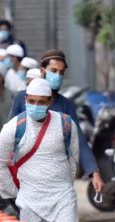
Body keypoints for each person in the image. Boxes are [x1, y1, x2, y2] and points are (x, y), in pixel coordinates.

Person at [0, 78, 80, 222]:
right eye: (31, 101)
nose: (36, 106)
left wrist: (65, 184)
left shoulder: (66, 124)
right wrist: (14, 192)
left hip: (63, 198)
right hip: (29, 202)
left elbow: (73, 159)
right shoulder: (12, 128)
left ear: (50, 101)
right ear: (25, 100)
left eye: (41, 102)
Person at [10, 49, 104, 193]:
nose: (58, 76)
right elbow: (9, 136)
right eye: (54, 70)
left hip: (57, 177)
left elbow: (78, 139)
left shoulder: (66, 105)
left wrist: (94, 171)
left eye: (61, 73)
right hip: (27, 176)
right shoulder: (22, 98)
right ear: (42, 71)